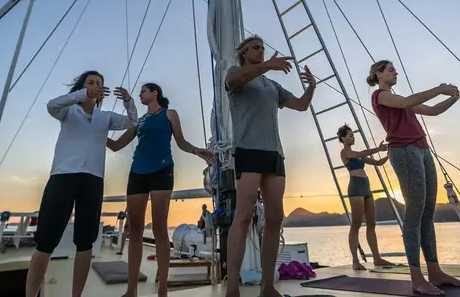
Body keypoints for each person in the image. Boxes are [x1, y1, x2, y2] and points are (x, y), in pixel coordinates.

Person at [26, 71, 138, 297]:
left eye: (99, 83)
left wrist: (128, 101)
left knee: (85, 242)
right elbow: (51, 105)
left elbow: (132, 121)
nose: (96, 86)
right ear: (82, 87)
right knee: (46, 241)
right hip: (62, 177)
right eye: (91, 82)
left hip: (93, 180)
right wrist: (81, 94)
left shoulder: (105, 117)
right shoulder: (68, 111)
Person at [224, 35, 316, 297]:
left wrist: (311, 87)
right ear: (243, 53)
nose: (261, 52)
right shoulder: (236, 74)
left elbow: (301, 105)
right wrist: (268, 65)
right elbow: (234, 80)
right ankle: (232, 287)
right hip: (248, 151)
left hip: (274, 153)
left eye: (263, 49)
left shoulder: (272, 86)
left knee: (275, 217)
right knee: (243, 216)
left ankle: (267, 286)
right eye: (255, 48)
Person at [368, 60, 460, 295]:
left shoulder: (400, 100)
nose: (395, 72)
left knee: (427, 213)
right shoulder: (380, 95)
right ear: (378, 74)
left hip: (422, 150)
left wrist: (451, 99)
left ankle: (435, 272)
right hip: (404, 152)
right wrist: (439, 89)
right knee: (414, 213)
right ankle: (416, 278)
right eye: (390, 69)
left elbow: (431, 111)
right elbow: (405, 102)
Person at [108, 82, 215, 297]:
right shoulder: (138, 121)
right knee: (135, 229)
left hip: (162, 170)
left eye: (143, 92)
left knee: (159, 227)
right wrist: (95, 131)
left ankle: (163, 289)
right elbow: (117, 145)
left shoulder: (170, 114)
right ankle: (131, 290)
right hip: (138, 172)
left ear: (154, 93)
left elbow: (181, 142)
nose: (141, 95)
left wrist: (197, 151)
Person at [337, 124, 394, 270]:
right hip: (355, 187)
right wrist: (377, 149)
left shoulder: (360, 155)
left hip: (366, 187)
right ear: (343, 138)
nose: (353, 137)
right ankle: (355, 261)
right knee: (356, 224)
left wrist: (389, 153)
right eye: (350, 135)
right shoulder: (345, 153)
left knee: (372, 224)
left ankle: (377, 258)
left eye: (353, 135)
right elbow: (358, 154)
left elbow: (378, 163)